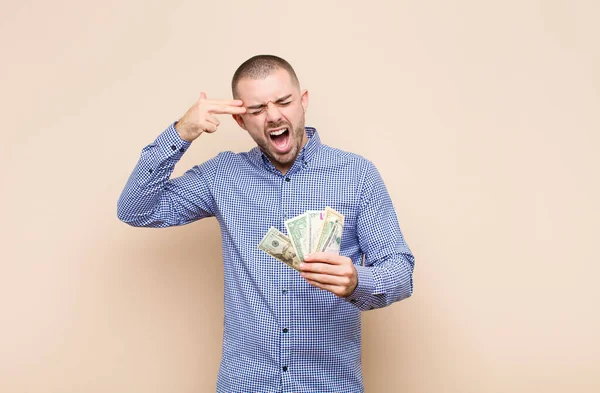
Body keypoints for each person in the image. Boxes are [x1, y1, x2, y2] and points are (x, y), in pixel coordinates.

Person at [117, 54, 415, 393]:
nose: (273, 116)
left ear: (303, 102)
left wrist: (357, 280)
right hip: (245, 383)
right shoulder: (222, 176)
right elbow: (135, 209)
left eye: (284, 102)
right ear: (242, 121)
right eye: (257, 109)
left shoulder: (357, 175)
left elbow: (400, 272)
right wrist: (181, 132)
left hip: (329, 384)